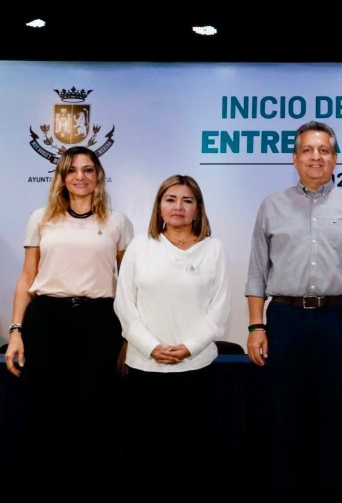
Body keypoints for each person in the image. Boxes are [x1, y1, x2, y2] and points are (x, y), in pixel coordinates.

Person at [245, 121, 342, 493]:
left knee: (338, 421)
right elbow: (257, 273)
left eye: (324, 150)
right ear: (295, 158)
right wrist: (256, 328)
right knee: (284, 419)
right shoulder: (271, 206)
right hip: (284, 322)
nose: (316, 157)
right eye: (307, 150)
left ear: (335, 159)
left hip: (338, 322)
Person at [4, 146, 134, 495]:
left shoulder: (117, 222)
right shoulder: (41, 218)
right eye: (72, 170)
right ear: (61, 177)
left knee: (93, 414)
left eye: (88, 170)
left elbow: (129, 285)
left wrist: (128, 339)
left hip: (100, 324)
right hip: (47, 321)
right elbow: (27, 277)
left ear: (98, 177)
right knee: (46, 413)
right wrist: (16, 331)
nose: (80, 176)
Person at [113, 174, 231, 497]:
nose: (178, 206)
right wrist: (151, 347)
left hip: (195, 370)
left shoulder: (213, 249)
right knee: (145, 459)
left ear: (198, 208)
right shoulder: (140, 246)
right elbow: (124, 305)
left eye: (187, 200)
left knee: (192, 459)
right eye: (171, 199)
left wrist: (189, 348)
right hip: (144, 368)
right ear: (159, 206)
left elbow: (219, 309)